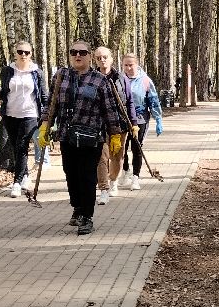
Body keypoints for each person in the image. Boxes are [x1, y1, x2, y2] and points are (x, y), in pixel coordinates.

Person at [39, 40, 122, 235]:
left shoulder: (100, 80)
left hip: (91, 137)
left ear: (89, 56)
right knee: (71, 174)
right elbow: (51, 104)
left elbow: (110, 109)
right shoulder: (61, 77)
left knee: (87, 176)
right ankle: (77, 206)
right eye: (74, 52)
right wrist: (45, 126)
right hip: (67, 136)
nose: (78, 55)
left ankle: (87, 216)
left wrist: (115, 134)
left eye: (82, 53)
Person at [0, 42, 47, 197]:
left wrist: (47, 117)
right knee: (14, 146)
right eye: (20, 52)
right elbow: (4, 92)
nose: (23, 55)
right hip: (10, 114)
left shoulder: (37, 72)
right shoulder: (7, 71)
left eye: (27, 52)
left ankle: (16, 183)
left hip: (30, 114)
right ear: (15, 53)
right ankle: (25, 175)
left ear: (31, 54)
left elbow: (44, 95)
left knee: (21, 145)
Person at [93, 46, 136, 204]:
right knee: (101, 157)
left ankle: (113, 180)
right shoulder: (92, 78)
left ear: (111, 58)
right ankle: (104, 188)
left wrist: (134, 123)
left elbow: (129, 101)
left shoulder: (120, 78)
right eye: (98, 58)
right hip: (99, 125)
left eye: (105, 57)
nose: (102, 60)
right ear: (95, 60)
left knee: (117, 156)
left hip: (120, 124)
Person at [121, 54, 163, 191]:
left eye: (131, 65)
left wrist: (158, 119)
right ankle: (125, 169)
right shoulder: (120, 80)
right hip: (122, 118)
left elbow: (153, 99)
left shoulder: (145, 80)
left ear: (136, 64)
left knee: (136, 148)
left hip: (140, 119)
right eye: (125, 65)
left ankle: (135, 177)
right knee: (121, 149)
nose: (128, 68)